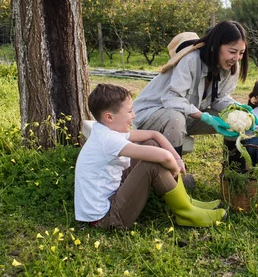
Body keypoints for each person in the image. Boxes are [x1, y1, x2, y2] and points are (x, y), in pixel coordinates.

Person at [75, 83, 225, 230]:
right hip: (107, 218)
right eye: (129, 111)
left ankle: (186, 202)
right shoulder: (108, 139)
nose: (133, 116)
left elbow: (154, 134)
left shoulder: (104, 130)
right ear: (109, 117)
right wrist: (174, 167)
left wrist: (178, 159)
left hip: (111, 198)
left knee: (150, 143)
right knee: (152, 163)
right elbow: (164, 157)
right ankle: (186, 213)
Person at [132, 20, 250, 159]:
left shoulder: (229, 68)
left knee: (233, 118)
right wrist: (203, 116)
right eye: (232, 52)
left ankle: (235, 174)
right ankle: (173, 176)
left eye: (241, 53)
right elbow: (171, 98)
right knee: (176, 119)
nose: (236, 58)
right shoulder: (191, 60)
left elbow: (220, 98)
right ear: (214, 47)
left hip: (184, 115)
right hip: (152, 114)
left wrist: (236, 108)